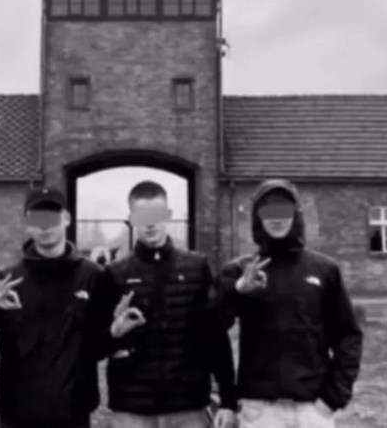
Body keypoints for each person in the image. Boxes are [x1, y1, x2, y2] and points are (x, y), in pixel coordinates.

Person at [218, 179, 363, 428]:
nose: (276, 218)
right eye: (268, 211)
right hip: (260, 411)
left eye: (283, 210)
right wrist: (238, 290)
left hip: (313, 410)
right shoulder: (239, 271)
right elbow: (212, 328)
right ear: (257, 217)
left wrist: (332, 399)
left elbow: (348, 337)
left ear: (296, 214)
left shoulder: (325, 270)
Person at [0, 186, 109, 428]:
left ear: (66, 219)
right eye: (37, 218)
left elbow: (101, 344)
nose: (44, 226)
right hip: (16, 415)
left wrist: (115, 334)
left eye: (51, 217)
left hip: (72, 414)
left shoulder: (94, 277)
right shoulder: (5, 281)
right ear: (27, 224)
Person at [104, 180, 237, 428]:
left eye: (156, 214)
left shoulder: (197, 267)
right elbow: (92, 343)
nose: (150, 223)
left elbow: (215, 337)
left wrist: (228, 399)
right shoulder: (115, 274)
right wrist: (113, 334)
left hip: (187, 406)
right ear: (131, 219)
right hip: (132, 409)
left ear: (168, 215)